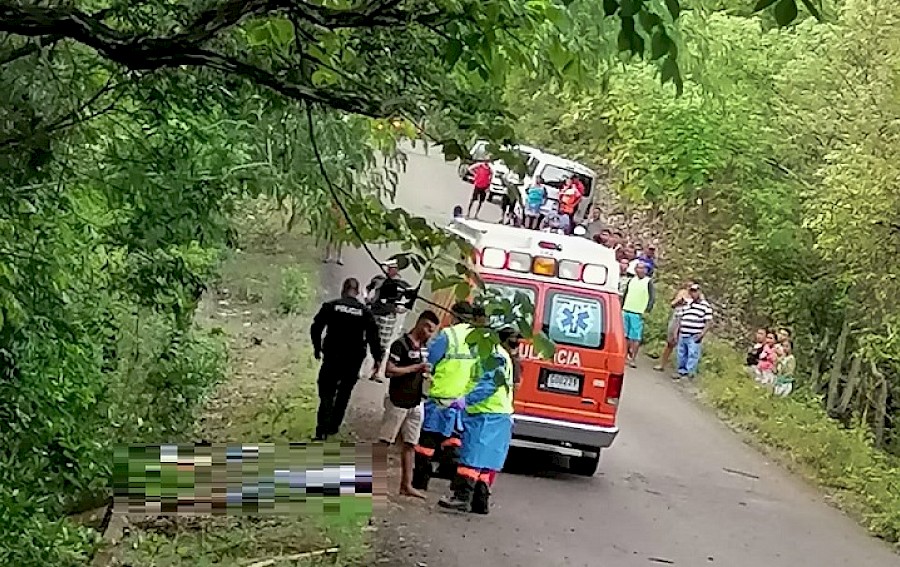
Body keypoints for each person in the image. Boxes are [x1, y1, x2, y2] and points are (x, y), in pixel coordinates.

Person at [438, 326, 519, 514]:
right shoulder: (500, 354)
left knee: (471, 456)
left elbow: (488, 384)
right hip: (498, 414)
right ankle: (480, 500)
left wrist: (466, 400)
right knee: (485, 459)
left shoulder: (492, 355)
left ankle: (461, 497)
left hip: (486, 414)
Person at [412, 302, 486, 491]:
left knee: (426, 443)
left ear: (454, 316)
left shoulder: (448, 335)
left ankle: (420, 482)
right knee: (452, 440)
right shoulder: (477, 340)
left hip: (439, 398)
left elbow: (429, 361)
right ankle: (452, 478)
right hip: (460, 401)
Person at [377, 310, 440, 498]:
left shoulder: (424, 347)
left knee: (410, 444)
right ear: (419, 323)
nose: (429, 333)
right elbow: (388, 371)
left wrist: (426, 374)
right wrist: (415, 368)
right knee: (384, 442)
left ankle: (406, 485)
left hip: (417, 401)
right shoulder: (400, 345)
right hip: (398, 400)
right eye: (428, 328)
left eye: (432, 331)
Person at [310, 278, 383, 440]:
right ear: (357, 292)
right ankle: (334, 426)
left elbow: (316, 327)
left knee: (327, 392)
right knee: (344, 393)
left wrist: (317, 348)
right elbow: (374, 337)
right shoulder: (365, 312)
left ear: (343, 290)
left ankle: (321, 429)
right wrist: (378, 359)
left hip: (332, 357)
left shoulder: (331, 306)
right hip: (353, 360)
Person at [367, 260, 412, 382]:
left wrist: (402, 308)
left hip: (388, 317)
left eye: (392, 268)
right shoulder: (379, 280)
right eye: (388, 267)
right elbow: (368, 291)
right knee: (366, 339)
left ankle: (376, 371)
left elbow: (410, 299)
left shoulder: (402, 285)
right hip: (374, 313)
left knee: (382, 345)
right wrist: (368, 298)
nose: (389, 270)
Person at [674, 283, 713, 380]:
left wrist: (702, 334)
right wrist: (676, 331)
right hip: (683, 333)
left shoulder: (705, 306)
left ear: (699, 292)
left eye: (695, 291)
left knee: (693, 353)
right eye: (692, 291)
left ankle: (690, 372)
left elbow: (709, 322)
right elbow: (680, 318)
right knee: (681, 353)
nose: (693, 293)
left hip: (694, 334)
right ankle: (681, 371)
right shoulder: (687, 304)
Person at [621, 261, 655, 367]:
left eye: (642, 268)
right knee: (625, 335)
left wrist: (647, 311)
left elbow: (651, 298)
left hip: (638, 312)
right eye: (638, 268)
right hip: (626, 309)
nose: (640, 270)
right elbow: (626, 294)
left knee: (635, 337)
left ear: (646, 270)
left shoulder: (648, 282)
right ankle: (624, 356)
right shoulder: (631, 280)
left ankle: (633, 358)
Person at [653, 282, 692, 372]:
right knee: (670, 342)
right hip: (677, 317)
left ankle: (682, 369)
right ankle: (662, 364)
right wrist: (679, 301)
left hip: (688, 321)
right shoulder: (682, 292)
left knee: (685, 345)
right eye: (688, 286)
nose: (690, 288)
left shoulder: (698, 297)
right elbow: (672, 304)